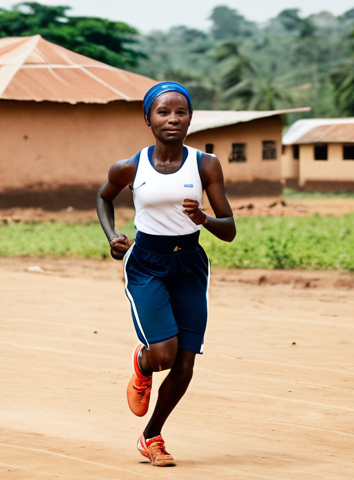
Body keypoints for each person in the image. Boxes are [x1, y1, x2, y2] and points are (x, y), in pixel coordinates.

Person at [96, 81, 236, 467]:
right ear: (148, 119)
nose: (173, 119)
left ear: (191, 118)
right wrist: (113, 237)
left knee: (185, 363)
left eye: (181, 112)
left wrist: (202, 217)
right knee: (164, 355)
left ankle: (151, 436)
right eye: (163, 112)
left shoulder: (206, 164)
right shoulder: (130, 166)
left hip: (190, 265)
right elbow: (104, 197)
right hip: (146, 263)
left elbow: (229, 229)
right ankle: (143, 364)